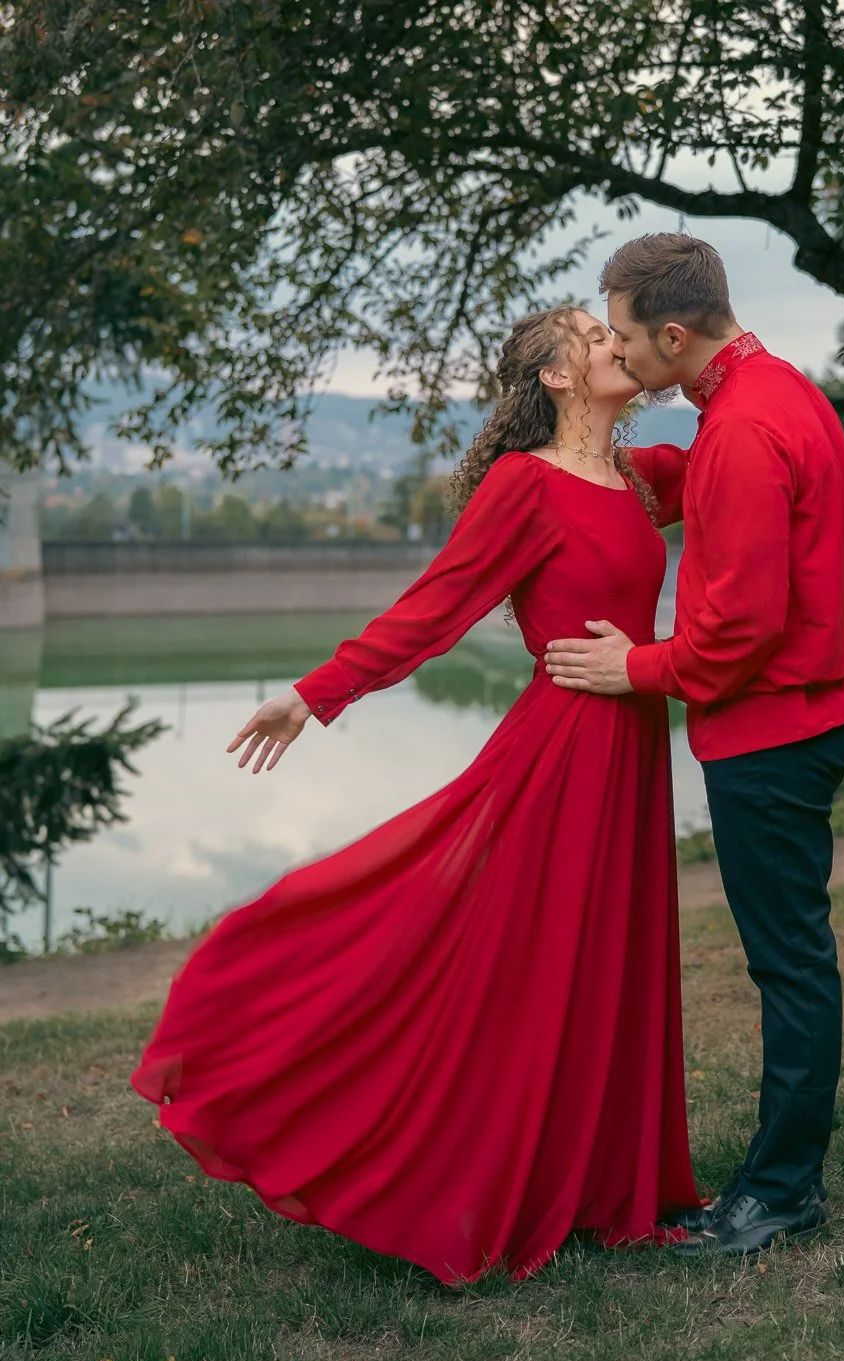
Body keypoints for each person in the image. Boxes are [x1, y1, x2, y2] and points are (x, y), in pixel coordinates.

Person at [131, 306, 702, 1285]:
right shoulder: (527, 485)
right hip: (562, 751)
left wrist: (732, 368)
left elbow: (739, 458)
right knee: (523, 964)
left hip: (632, 745)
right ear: (556, 377)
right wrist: (315, 693)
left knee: (613, 960)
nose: (618, 341)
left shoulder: (642, 480)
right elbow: (434, 607)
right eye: (594, 336)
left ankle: (613, 1184)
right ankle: (467, 1168)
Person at [545, 233, 844, 1257]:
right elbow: (700, 479)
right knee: (795, 957)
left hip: (773, 732)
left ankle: (779, 1194)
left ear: (675, 333)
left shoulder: (741, 430)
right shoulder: (774, 391)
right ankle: (780, 1180)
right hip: (808, 713)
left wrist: (632, 668)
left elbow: (737, 630)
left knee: (789, 965)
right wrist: (592, 460)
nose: (626, 360)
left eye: (631, 342)